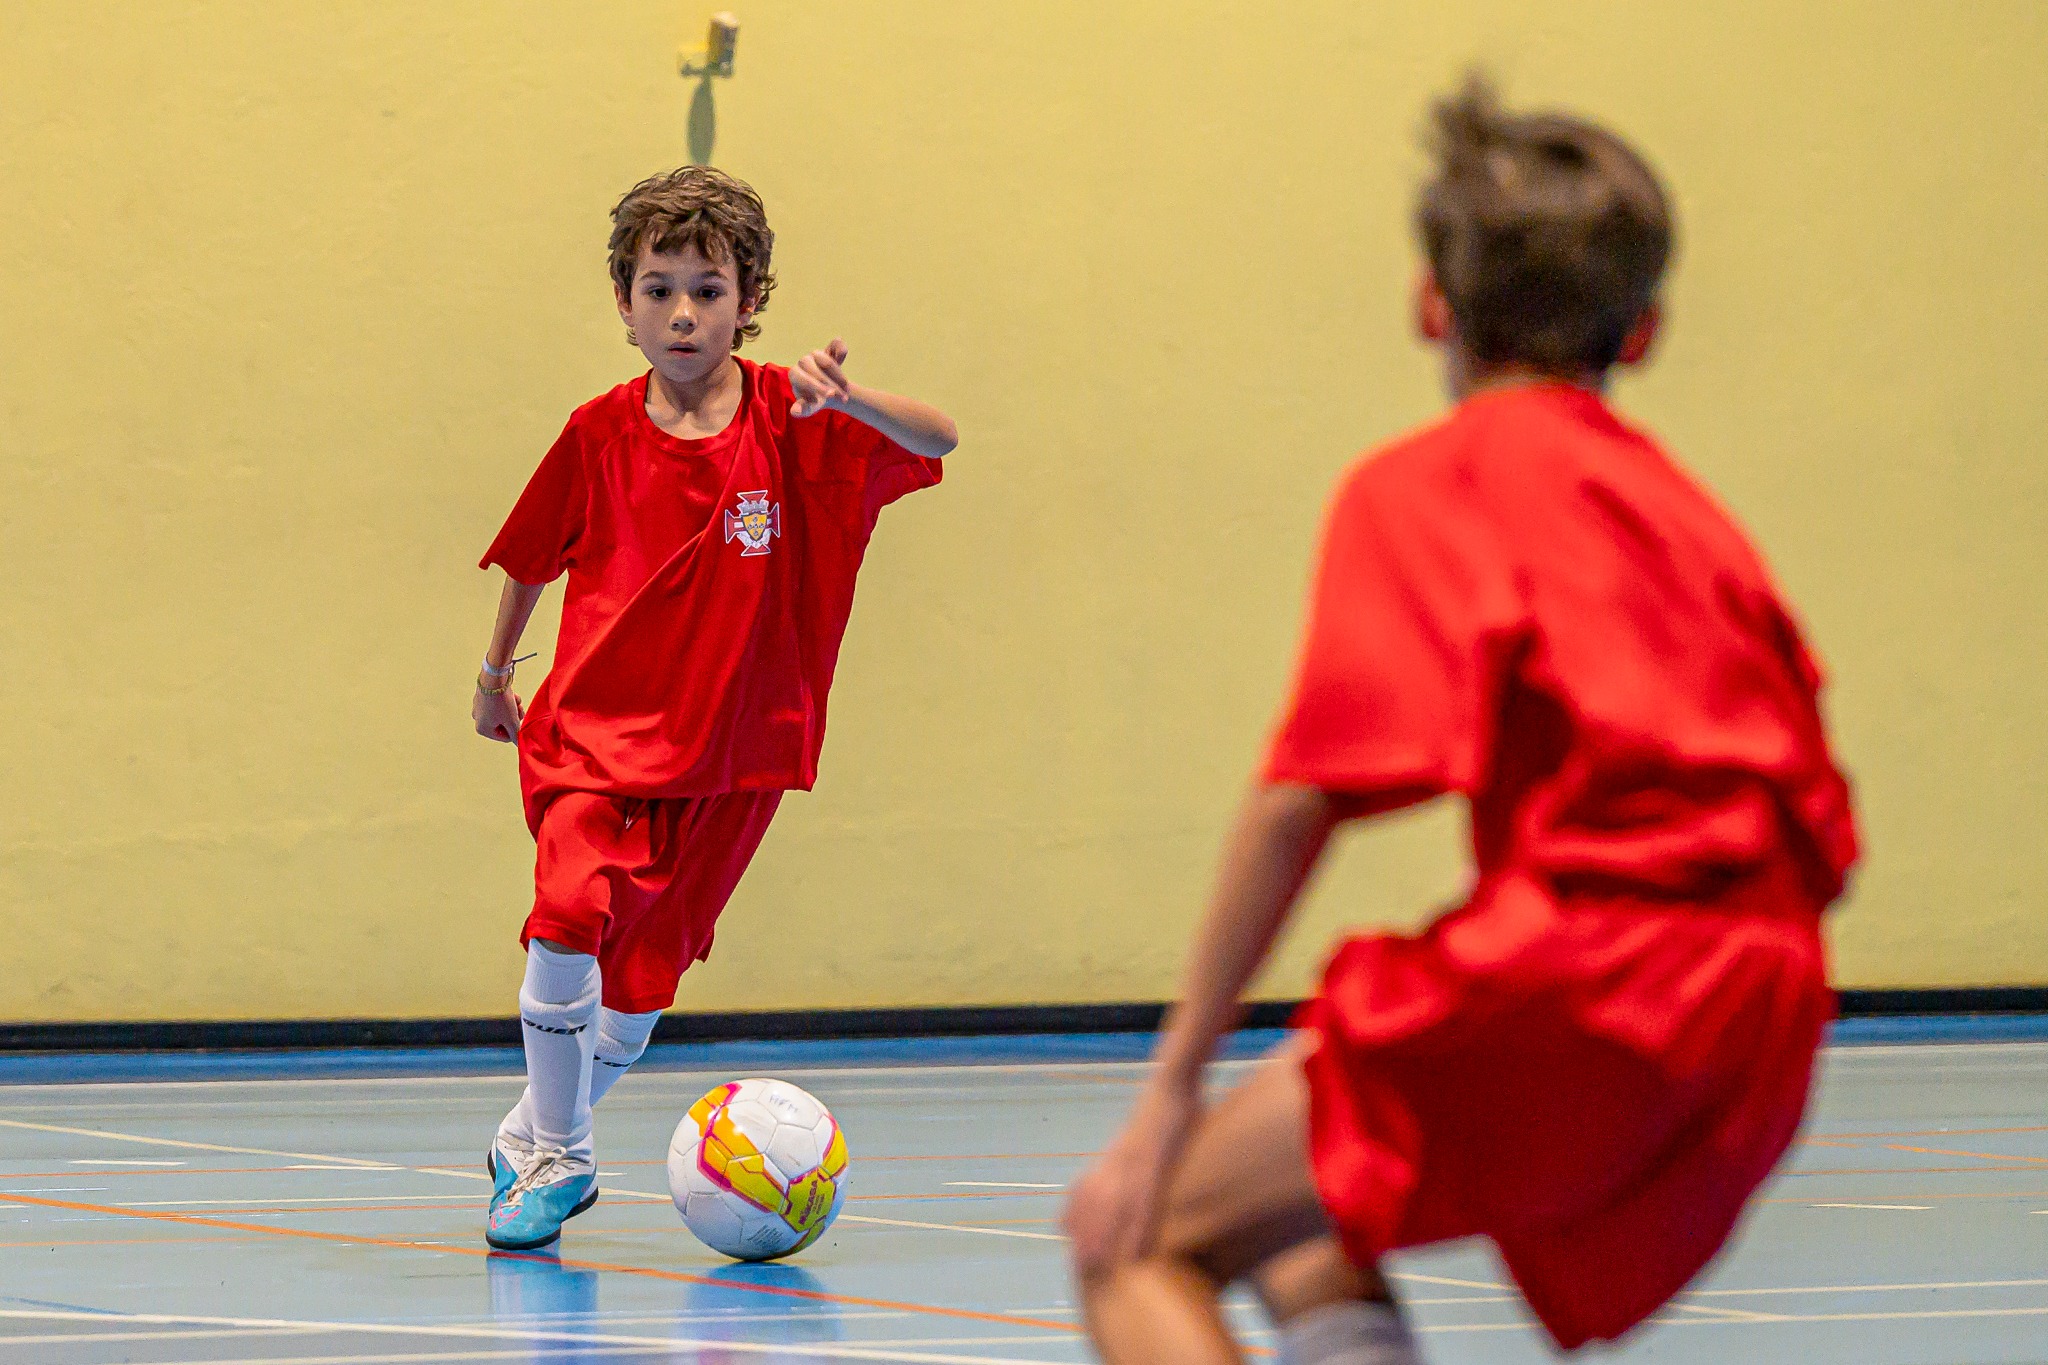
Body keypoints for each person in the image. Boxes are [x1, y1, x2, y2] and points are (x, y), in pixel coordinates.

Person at [1064, 76, 1858, 1363]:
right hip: (1764, 1002)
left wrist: (1164, 1095)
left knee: (1136, 1235)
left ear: (1428, 305)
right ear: (1643, 331)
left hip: (1599, 965)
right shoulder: (1695, 521)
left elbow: (1300, 798)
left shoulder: (1427, 484)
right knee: (1301, 1221)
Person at [470, 166, 957, 1251]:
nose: (681, 312)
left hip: (735, 750)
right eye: (657, 289)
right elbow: (529, 558)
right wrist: (497, 675)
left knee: (637, 997)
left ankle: (527, 1137)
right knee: (566, 911)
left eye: (706, 288)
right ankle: (565, 1159)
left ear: (748, 302)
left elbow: (940, 440)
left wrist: (857, 400)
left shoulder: (797, 419)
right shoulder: (596, 431)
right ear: (624, 305)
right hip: (592, 737)